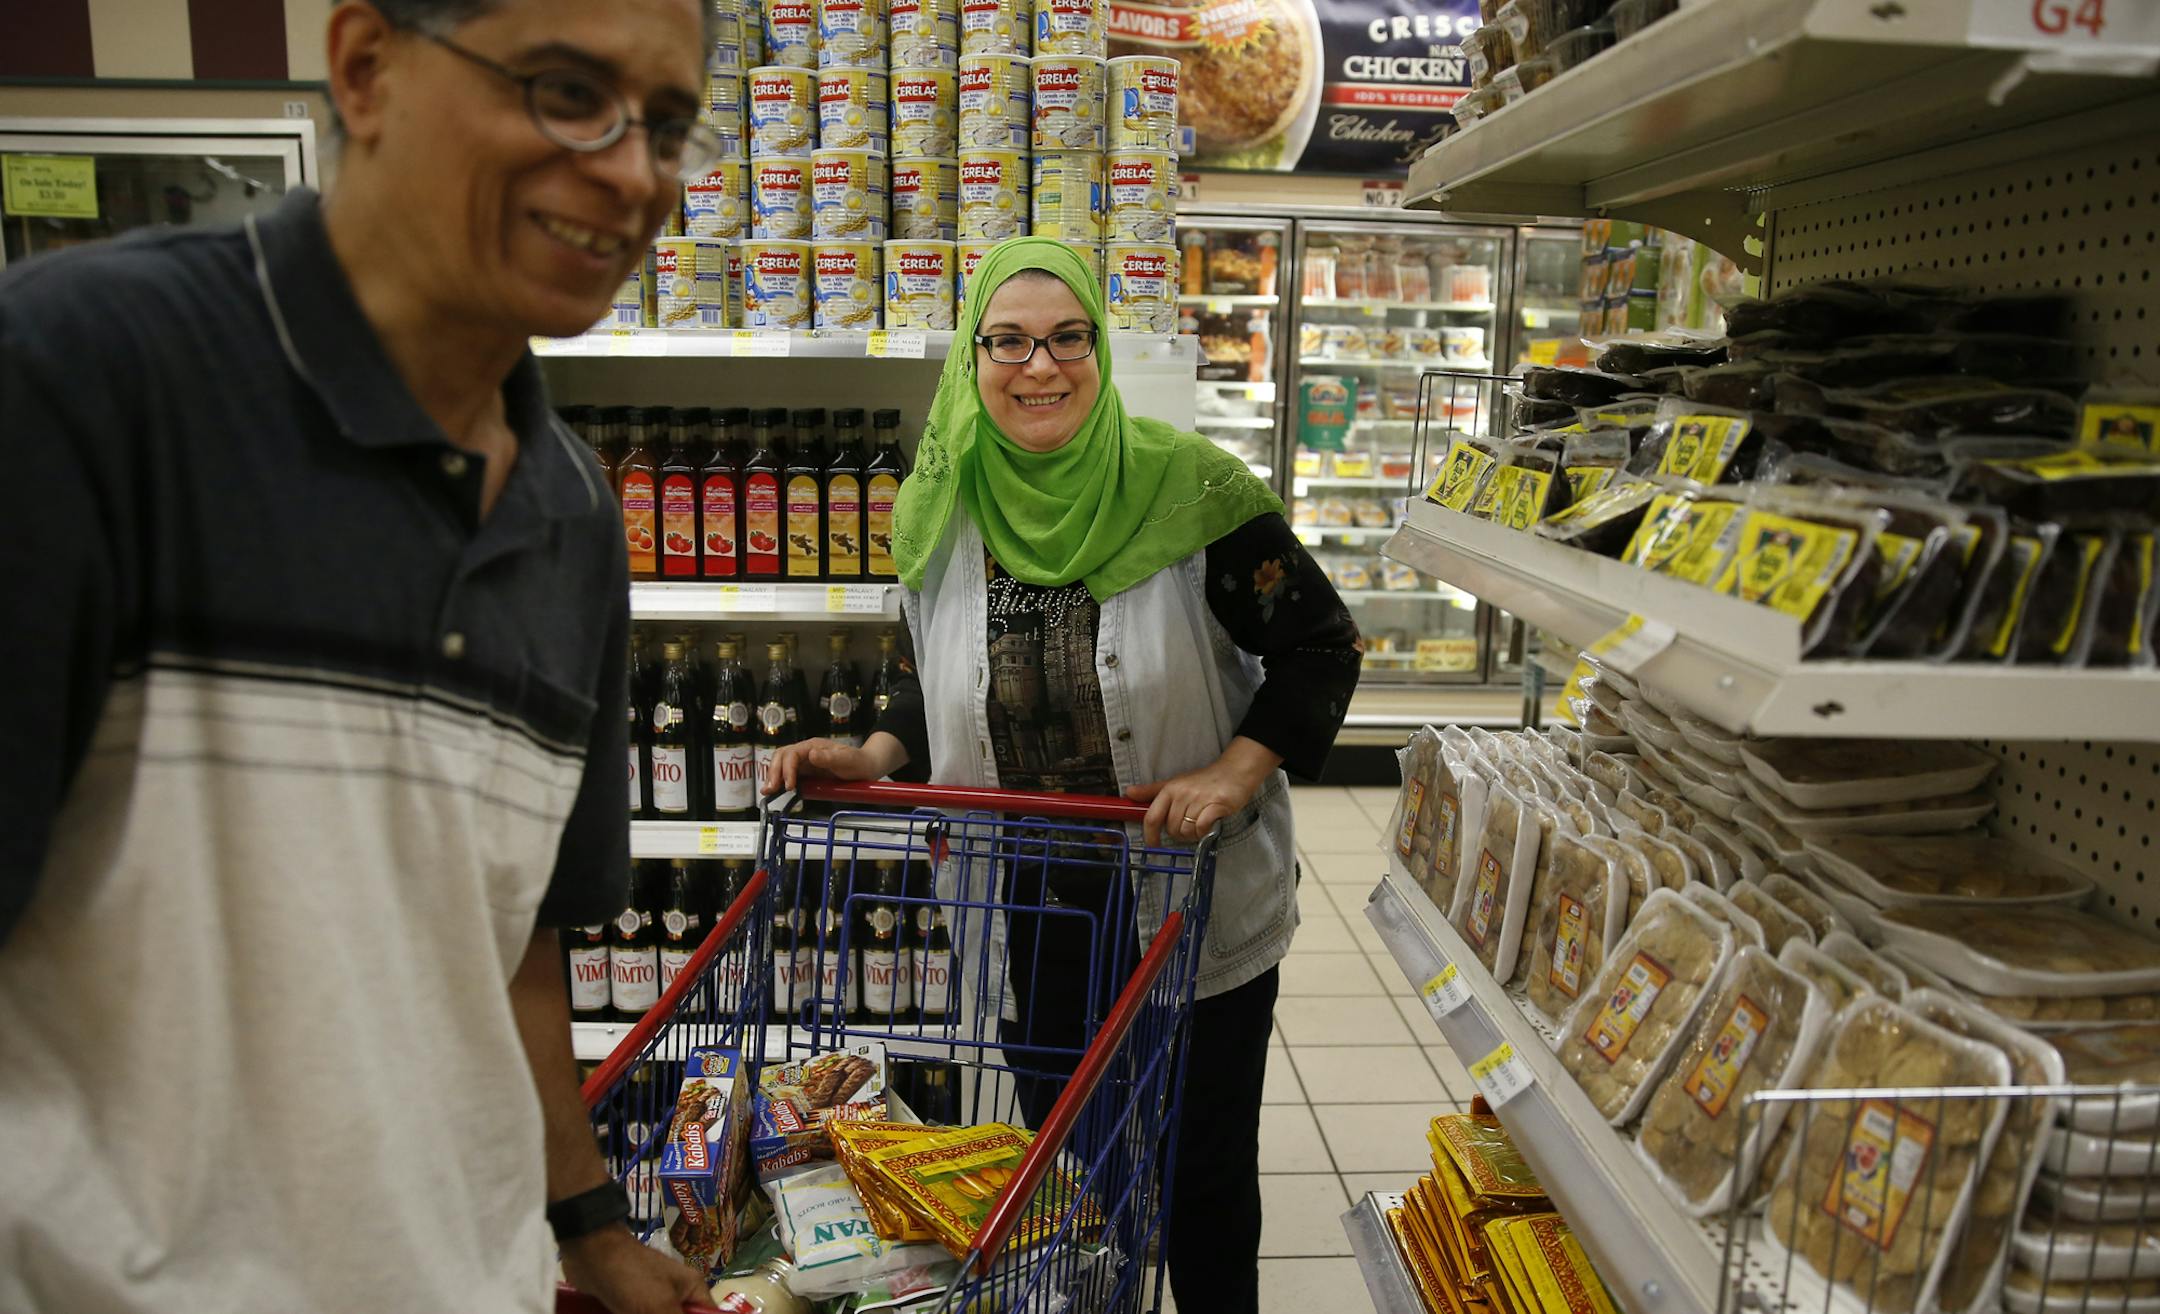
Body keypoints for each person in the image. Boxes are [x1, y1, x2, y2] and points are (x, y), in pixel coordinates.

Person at [0, 2, 719, 1311]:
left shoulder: (571, 519)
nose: (631, 169)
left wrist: (590, 1226)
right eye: (565, 90)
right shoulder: (78, 380)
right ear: (366, 68)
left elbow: (508, 953)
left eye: (667, 124)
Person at [763, 237, 1362, 1314]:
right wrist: (872, 756)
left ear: (1098, 345)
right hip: (1030, 906)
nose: (1039, 368)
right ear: (971, 358)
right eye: (1008, 342)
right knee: (1076, 1169)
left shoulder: (1195, 490)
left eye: (1066, 339)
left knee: (1202, 1169)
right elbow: (918, 686)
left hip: (1187, 906)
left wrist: (1236, 768)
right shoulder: (946, 505)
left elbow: (1322, 645)